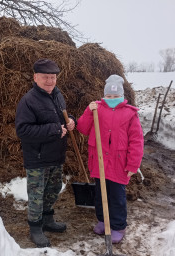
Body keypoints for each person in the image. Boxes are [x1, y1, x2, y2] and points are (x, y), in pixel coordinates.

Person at [15, 59, 76, 248]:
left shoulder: (58, 96)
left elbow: (62, 118)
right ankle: (35, 228)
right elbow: (23, 131)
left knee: (53, 189)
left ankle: (48, 220)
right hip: (38, 158)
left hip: (56, 155)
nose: (50, 81)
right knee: (36, 195)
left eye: (53, 77)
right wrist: (54, 130)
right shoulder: (28, 101)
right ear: (35, 77)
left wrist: (71, 121)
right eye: (45, 77)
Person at [76, 74, 144, 244]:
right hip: (99, 161)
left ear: (122, 96)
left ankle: (118, 226)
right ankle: (103, 221)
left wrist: (132, 165)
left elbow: (137, 141)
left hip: (119, 164)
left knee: (116, 197)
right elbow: (83, 128)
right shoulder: (97, 109)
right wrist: (88, 111)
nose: (111, 99)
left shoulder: (130, 114)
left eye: (115, 96)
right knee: (100, 194)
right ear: (104, 95)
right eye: (108, 96)